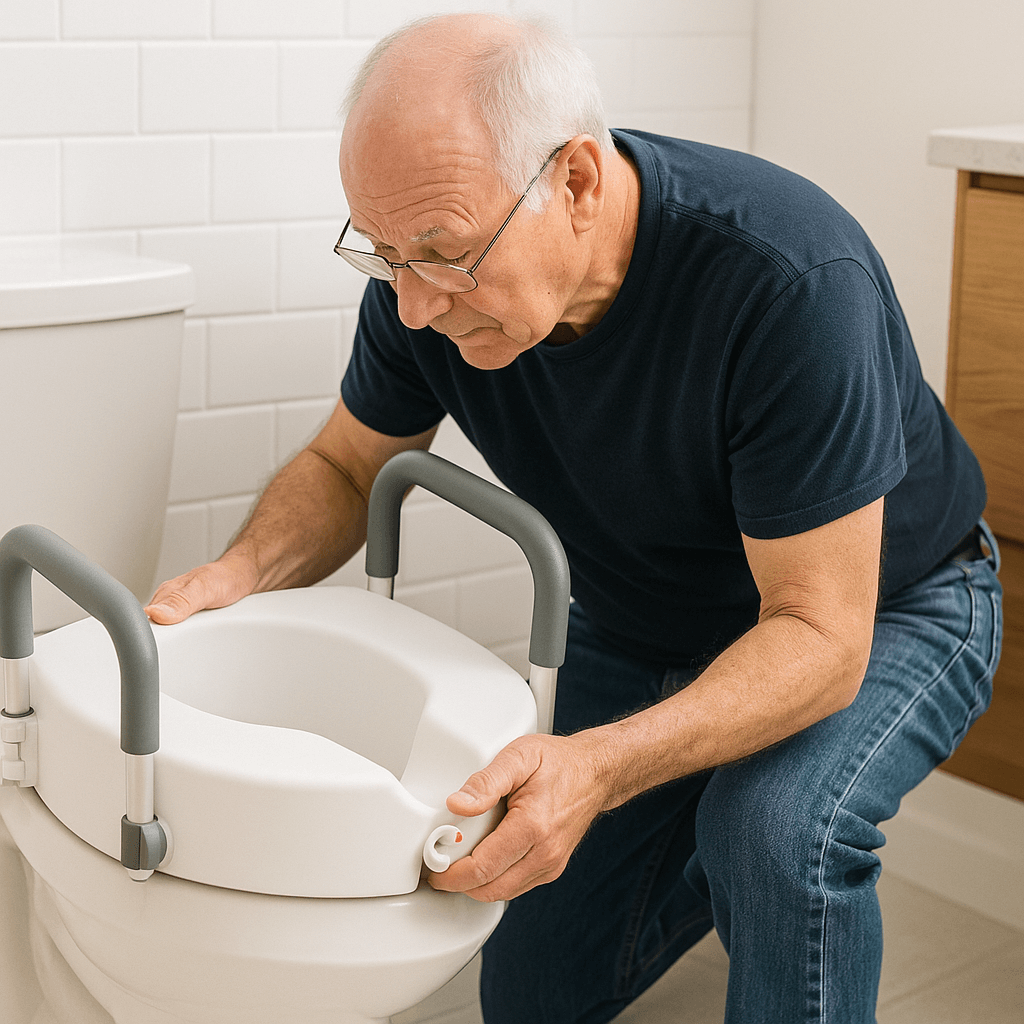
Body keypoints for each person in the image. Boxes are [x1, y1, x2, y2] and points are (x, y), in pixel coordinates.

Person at [146, 13, 1003, 1024]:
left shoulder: (788, 280)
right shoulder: (421, 276)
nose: (413, 305)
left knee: (770, 830)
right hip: (646, 618)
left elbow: (819, 635)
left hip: (892, 606)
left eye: (442, 254)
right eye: (382, 255)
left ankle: (725, 838)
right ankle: (700, 827)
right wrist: (235, 574)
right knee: (530, 995)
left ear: (578, 183)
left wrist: (598, 767)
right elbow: (344, 464)